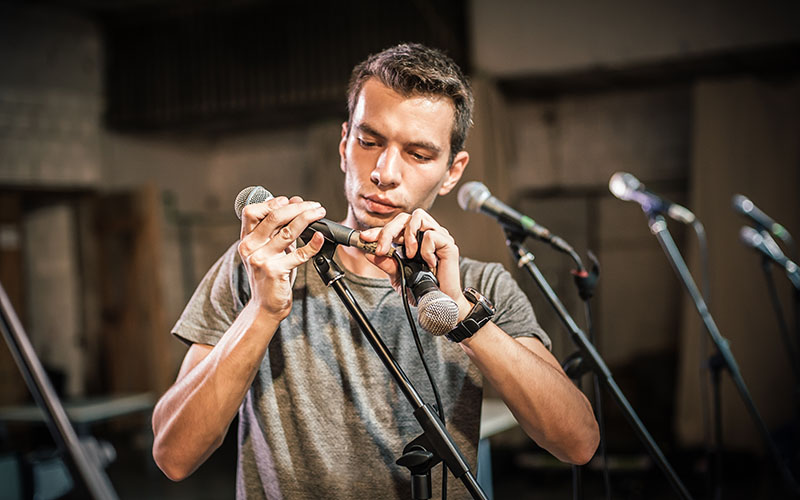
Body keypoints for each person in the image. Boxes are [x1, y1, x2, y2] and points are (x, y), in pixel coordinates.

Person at [152, 43, 599, 499]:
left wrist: (463, 317)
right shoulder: (257, 264)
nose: (384, 172)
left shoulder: (481, 287)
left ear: (452, 171)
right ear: (345, 144)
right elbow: (174, 456)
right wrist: (262, 311)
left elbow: (578, 443)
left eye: (419, 154)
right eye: (370, 142)